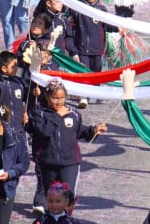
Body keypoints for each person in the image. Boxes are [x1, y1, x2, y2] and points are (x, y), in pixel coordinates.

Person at [28, 80, 107, 208]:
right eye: (55, 98)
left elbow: (80, 132)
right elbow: (44, 131)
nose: (59, 101)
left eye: (62, 98)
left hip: (70, 163)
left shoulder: (73, 114)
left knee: (68, 197)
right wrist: (57, 116)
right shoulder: (40, 113)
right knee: (52, 198)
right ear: (47, 97)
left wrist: (94, 130)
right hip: (47, 162)